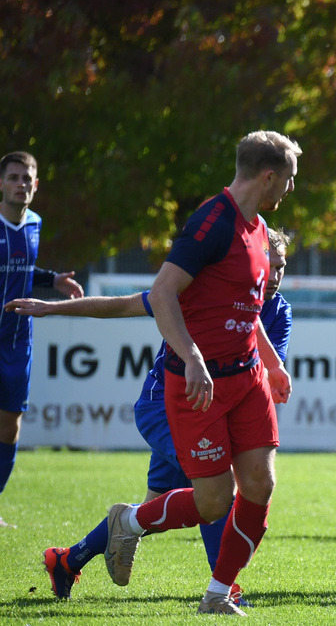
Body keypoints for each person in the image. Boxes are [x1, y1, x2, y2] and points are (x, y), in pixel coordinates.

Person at [6, 229, 293, 601]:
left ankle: (65, 560)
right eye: (267, 266)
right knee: (216, 490)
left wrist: (273, 377)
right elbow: (122, 305)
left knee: (152, 514)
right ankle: (225, 590)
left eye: (281, 267)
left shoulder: (279, 310)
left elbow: (263, 361)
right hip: (166, 407)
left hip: (209, 412)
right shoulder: (205, 291)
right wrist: (52, 306)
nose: (273, 275)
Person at [94, 130, 298, 616]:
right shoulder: (211, 223)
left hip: (246, 379)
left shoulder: (257, 227)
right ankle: (130, 522)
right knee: (211, 502)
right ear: (268, 176)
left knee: (260, 485)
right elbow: (162, 294)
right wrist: (193, 358)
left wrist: (271, 363)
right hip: (199, 387)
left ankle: (216, 594)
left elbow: (247, 312)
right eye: (289, 179)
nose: (291, 190)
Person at [0, 151, 83, 528]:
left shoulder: (34, 223)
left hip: (18, 341)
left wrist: (53, 281)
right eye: (13, 177)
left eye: (26, 178)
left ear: (35, 185)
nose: (20, 184)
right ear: (1, 184)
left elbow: (21, 269)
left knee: (9, 426)